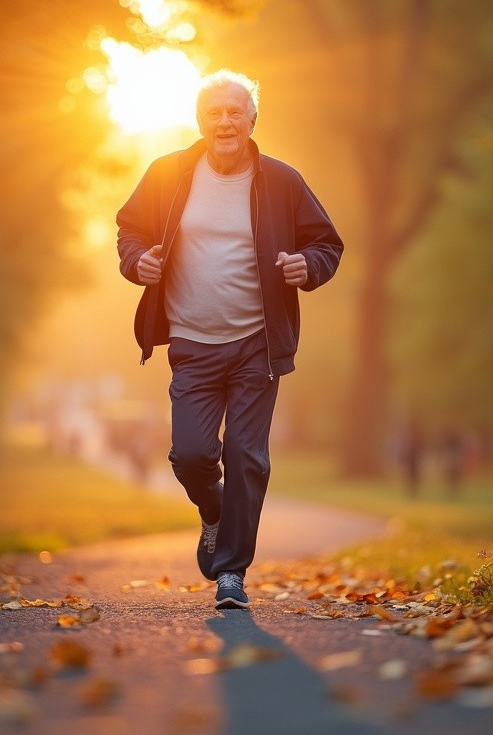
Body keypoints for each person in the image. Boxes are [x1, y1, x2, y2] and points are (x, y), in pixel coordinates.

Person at [116, 70, 344, 609]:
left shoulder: (282, 181)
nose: (224, 121)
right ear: (200, 120)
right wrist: (137, 261)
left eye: (235, 111)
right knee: (192, 454)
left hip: (256, 345)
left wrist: (305, 266)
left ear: (252, 120)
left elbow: (327, 244)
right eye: (214, 112)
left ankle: (231, 573)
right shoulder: (168, 174)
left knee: (246, 456)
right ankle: (214, 512)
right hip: (192, 343)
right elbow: (130, 228)